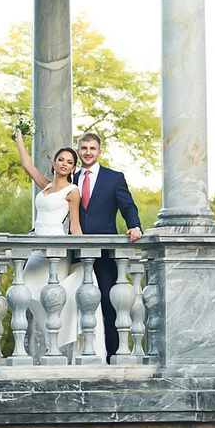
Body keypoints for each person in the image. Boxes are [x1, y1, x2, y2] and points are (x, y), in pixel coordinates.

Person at [10, 128, 102, 360]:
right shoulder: (46, 187)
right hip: (37, 249)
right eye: (60, 159)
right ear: (54, 163)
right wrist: (19, 139)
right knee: (24, 290)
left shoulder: (73, 191)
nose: (64, 164)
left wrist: (85, 256)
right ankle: (58, 334)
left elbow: (74, 226)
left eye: (69, 162)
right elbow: (28, 166)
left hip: (56, 250)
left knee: (52, 296)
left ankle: (58, 339)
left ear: (73, 168)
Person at [72, 131, 143, 358]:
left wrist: (134, 225)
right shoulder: (69, 179)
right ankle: (77, 354)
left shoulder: (114, 178)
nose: (88, 152)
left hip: (105, 253)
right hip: (74, 252)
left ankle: (114, 355)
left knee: (108, 304)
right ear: (78, 151)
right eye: (84, 148)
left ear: (99, 152)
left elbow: (128, 206)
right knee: (73, 304)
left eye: (92, 148)